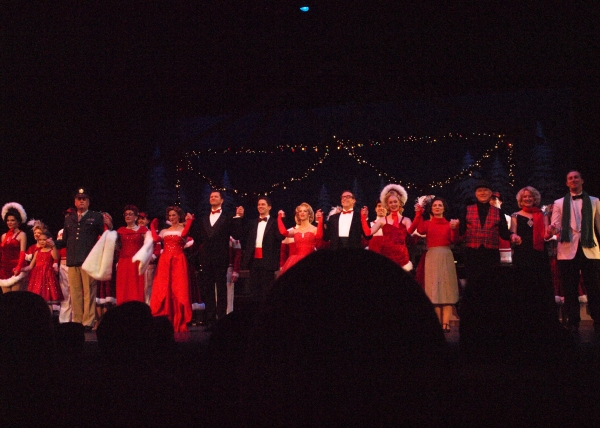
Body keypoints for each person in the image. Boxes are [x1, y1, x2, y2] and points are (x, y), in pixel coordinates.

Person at [550, 170, 600, 334]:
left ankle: (598, 319)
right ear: (567, 183)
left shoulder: (594, 201)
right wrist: (551, 229)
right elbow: (556, 224)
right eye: (570, 178)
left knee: (594, 287)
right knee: (569, 288)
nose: (573, 180)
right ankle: (573, 321)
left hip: (590, 250)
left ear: (582, 180)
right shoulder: (558, 203)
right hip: (567, 249)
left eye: (576, 177)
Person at [55, 188, 107, 330]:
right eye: (79, 199)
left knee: (89, 292)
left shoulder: (95, 217)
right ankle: (77, 321)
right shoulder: (69, 218)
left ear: (88, 202)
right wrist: (51, 242)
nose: (81, 201)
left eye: (84, 199)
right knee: (75, 292)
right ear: (75, 202)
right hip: (72, 260)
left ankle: (88, 322)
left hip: (89, 261)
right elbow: (64, 241)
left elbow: (104, 237)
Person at [192, 190, 243, 326]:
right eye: (211, 196)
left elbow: (237, 235)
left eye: (216, 196)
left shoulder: (227, 217)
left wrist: (238, 217)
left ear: (222, 200)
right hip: (206, 258)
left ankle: (221, 320)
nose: (213, 198)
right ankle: (210, 319)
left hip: (221, 258)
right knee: (208, 289)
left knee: (221, 289)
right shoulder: (203, 218)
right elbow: (198, 238)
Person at [412, 197, 460, 332]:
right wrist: (418, 214)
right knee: (434, 290)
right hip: (432, 257)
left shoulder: (449, 224)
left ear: (444, 208)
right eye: (435, 206)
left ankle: (446, 324)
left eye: (440, 205)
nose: (437, 207)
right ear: (431, 209)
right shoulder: (427, 223)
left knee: (447, 289)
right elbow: (420, 230)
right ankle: (438, 323)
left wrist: (455, 229)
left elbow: (453, 240)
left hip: (445, 255)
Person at [509, 186, 556, 322]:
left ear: (535, 198)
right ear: (520, 200)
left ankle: (544, 316)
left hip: (539, 256)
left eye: (530, 196)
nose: (528, 199)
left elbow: (546, 236)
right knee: (523, 285)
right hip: (522, 255)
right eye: (525, 197)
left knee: (542, 285)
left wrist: (550, 232)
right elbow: (512, 233)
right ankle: (524, 316)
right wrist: (514, 237)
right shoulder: (515, 215)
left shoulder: (542, 215)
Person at [149, 206, 194, 333]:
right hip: (165, 260)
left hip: (178, 260)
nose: (171, 218)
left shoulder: (183, 229)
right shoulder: (164, 231)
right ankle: (165, 315)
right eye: (170, 216)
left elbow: (184, 234)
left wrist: (189, 221)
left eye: (174, 215)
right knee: (164, 287)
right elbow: (156, 239)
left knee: (179, 288)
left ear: (179, 216)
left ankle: (179, 317)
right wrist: (152, 227)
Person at [361, 184, 414, 271]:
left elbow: (411, 231)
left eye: (395, 202)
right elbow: (368, 233)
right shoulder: (382, 220)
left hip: (402, 258)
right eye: (390, 202)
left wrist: (418, 215)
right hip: (387, 257)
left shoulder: (406, 220)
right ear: (387, 205)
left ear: (400, 202)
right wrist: (363, 217)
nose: (393, 204)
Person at [241, 196, 284, 303]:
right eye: (259, 204)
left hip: (268, 261)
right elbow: (241, 235)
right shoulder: (252, 223)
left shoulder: (274, 223)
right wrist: (239, 216)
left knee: (267, 291)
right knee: (254, 291)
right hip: (254, 261)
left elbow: (280, 237)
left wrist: (281, 219)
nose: (260, 206)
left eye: (263, 204)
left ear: (269, 207)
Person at [115, 205, 149, 305]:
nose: (128, 216)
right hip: (123, 262)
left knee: (136, 286)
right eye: (126, 214)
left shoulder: (142, 231)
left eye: (130, 214)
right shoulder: (120, 231)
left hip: (137, 263)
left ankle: (138, 308)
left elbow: (148, 246)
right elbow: (117, 247)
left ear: (136, 217)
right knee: (124, 286)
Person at [277, 202, 323, 274]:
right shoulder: (295, 230)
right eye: (300, 211)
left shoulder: (314, 229)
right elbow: (284, 232)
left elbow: (319, 236)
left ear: (309, 214)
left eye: (305, 211)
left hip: (310, 259)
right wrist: (280, 218)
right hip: (296, 260)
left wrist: (320, 220)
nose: (302, 213)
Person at [25, 230, 62, 312]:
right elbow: (31, 266)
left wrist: (53, 246)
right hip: (37, 278)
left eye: (44, 240)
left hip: (47, 277)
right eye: (40, 240)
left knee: (47, 300)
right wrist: (21, 269)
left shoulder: (51, 251)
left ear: (49, 240)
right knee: (37, 299)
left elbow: (56, 257)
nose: (41, 241)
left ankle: (49, 319)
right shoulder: (37, 252)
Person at [0, 202, 28, 292]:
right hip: (4, 269)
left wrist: (19, 267)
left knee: (15, 296)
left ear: (18, 221)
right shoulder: (4, 236)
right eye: (8, 220)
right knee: (5, 297)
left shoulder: (22, 234)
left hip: (16, 268)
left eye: (12, 220)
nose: (10, 222)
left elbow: (22, 252)